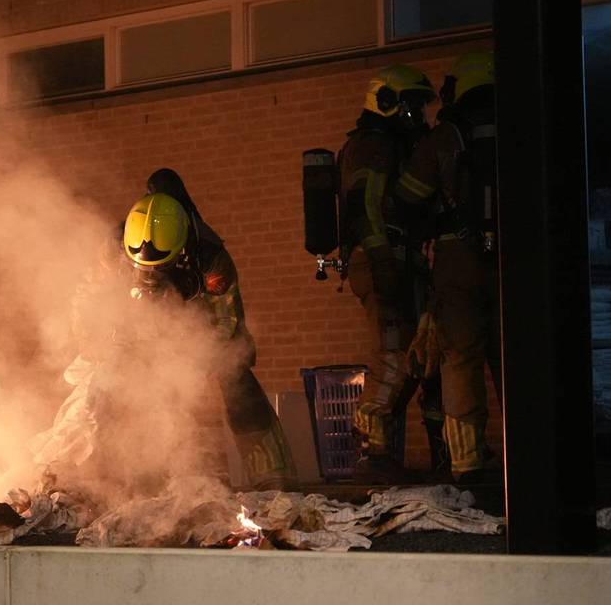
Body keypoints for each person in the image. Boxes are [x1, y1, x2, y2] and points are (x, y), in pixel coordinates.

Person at [119, 175, 298, 490]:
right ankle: (131, 480)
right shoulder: (115, 252)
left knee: (237, 378)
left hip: (204, 324)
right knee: (125, 386)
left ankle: (272, 475)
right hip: (139, 329)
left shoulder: (211, 260)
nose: (151, 281)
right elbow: (89, 301)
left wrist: (195, 360)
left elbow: (228, 324)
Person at [393, 53, 499, 483]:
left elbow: (407, 195)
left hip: (458, 258)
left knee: (460, 358)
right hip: (516, 259)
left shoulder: (445, 137)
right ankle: (532, 456)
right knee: (515, 354)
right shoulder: (525, 125)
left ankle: (468, 461)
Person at [338, 64, 447, 482]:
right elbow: (365, 205)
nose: (417, 115)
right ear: (385, 102)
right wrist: (383, 262)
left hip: (405, 263)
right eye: (410, 105)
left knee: (424, 354)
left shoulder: (393, 145)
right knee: (393, 357)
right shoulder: (371, 145)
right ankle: (373, 452)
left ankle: (442, 450)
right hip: (382, 261)